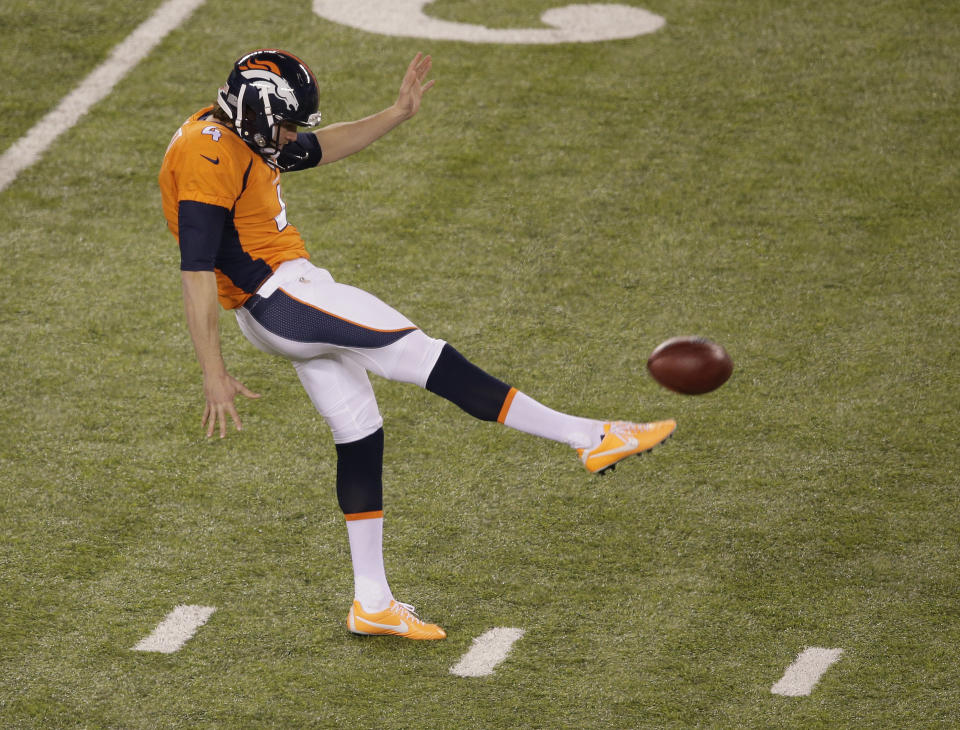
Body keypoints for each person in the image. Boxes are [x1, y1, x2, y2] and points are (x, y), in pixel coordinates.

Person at [159, 49, 676, 641]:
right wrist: (212, 371)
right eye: (285, 123)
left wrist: (397, 112)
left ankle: (371, 602)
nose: (291, 136)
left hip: (283, 295)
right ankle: (591, 436)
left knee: (360, 431)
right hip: (278, 296)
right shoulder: (206, 156)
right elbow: (195, 271)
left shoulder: (232, 129)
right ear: (256, 112)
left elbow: (318, 149)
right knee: (421, 353)